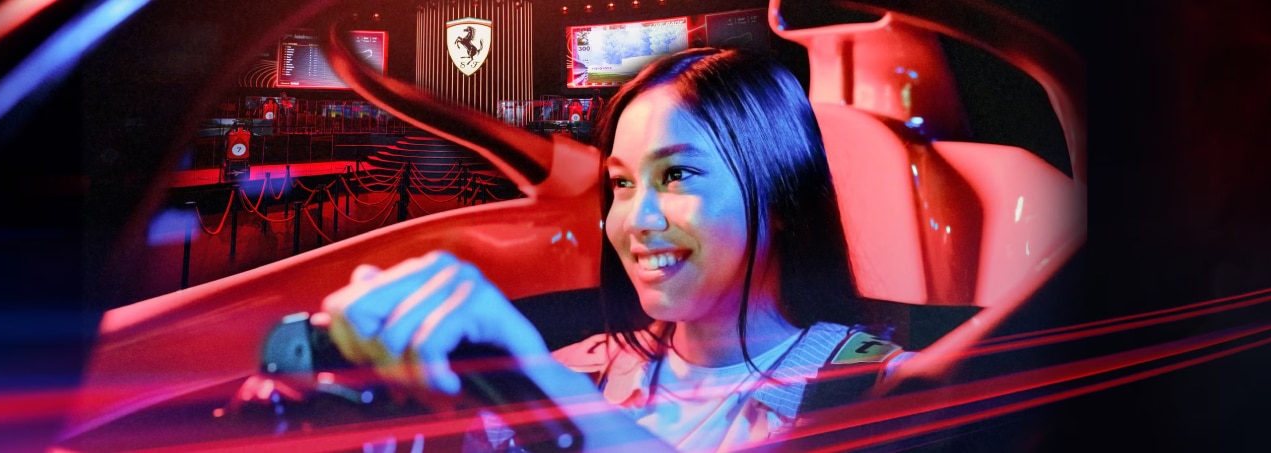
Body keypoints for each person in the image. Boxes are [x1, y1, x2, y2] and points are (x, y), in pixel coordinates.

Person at [316, 47, 912, 452]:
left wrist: (553, 398)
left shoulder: (884, 391)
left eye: (676, 175)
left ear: (779, 193)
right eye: (622, 184)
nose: (635, 220)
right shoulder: (585, 367)